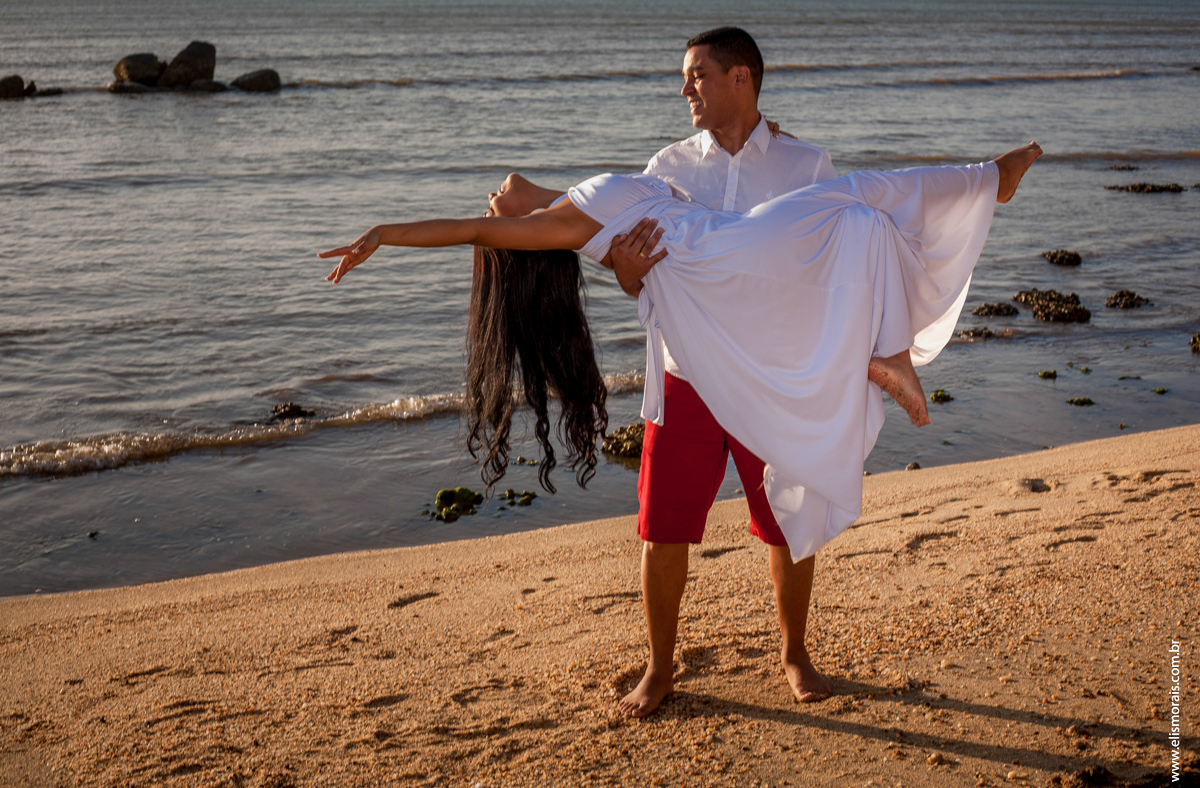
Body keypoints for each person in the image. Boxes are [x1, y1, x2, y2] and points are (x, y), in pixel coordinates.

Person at [318, 149, 1044, 712]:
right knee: (852, 209)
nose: (495, 194)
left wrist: (561, 221)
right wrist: (384, 233)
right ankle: (661, 668)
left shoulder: (591, 194)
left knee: (858, 208)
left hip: (733, 268)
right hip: (719, 287)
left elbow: (511, 187)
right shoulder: (558, 226)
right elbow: (477, 226)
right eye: (506, 213)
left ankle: (902, 322)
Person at [606, 26, 841, 718]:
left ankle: (795, 653)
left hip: (772, 377)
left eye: (697, 76)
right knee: (661, 527)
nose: (685, 90)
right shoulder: (667, 168)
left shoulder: (807, 165)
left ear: (741, 78)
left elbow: (834, 267)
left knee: (786, 523)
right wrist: (625, 272)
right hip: (687, 378)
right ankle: (660, 668)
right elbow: (640, 277)